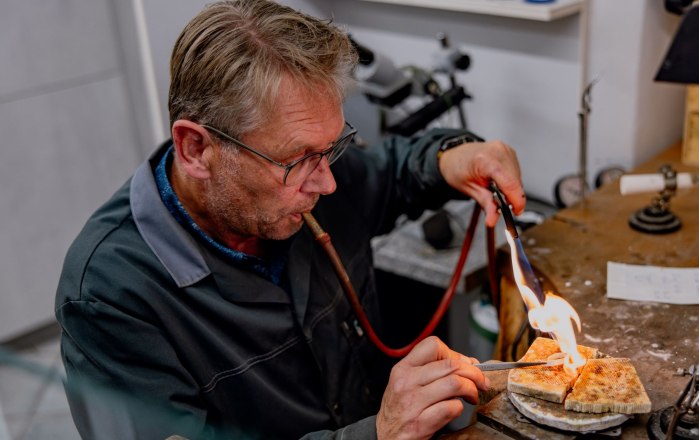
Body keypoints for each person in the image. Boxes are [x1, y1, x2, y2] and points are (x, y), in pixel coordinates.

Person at [55, 1, 526, 439]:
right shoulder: (109, 297)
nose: (327, 184)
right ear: (197, 149)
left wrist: (457, 156)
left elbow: (395, 170)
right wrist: (378, 433)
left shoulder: (310, 177)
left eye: (332, 147)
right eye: (298, 159)